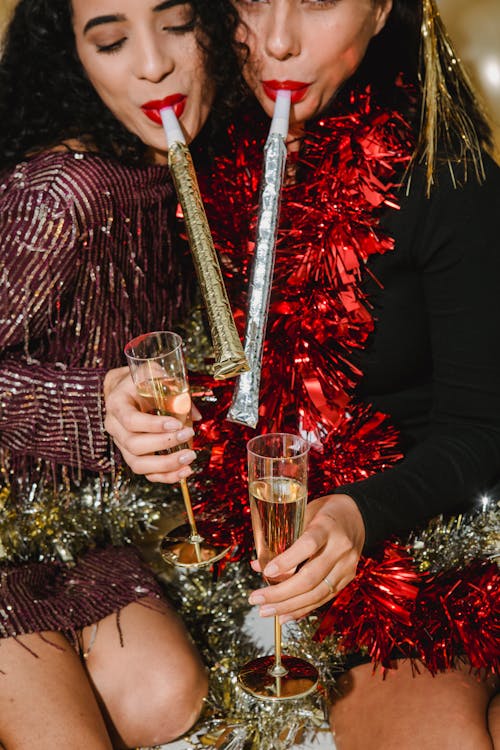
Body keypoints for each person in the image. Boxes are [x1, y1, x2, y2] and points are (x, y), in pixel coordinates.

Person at [105, 0, 500, 748]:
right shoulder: (187, 140)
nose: (278, 43)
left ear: (384, 6)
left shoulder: (449, 174)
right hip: (220, 536)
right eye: (254, 0)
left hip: (418, 539)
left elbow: (481, 430)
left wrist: (360, 515)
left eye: (318, 1)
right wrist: (113, 397)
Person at [0, 0, 241, 748]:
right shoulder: (63, 196)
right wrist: (90, 404)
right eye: (110, 40)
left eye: (175, 26)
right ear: (71, 57)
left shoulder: (177, 167)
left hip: (82, 529)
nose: (152, 63)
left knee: (165, 699)